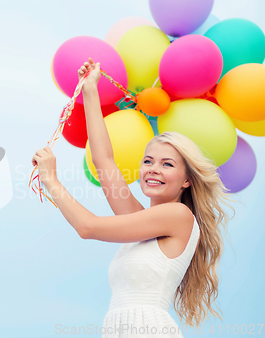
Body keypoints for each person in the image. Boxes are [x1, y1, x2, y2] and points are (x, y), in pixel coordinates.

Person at [31, 57, 236, 337]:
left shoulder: (178, 216)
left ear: (187, 180)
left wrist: (51, 180)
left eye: (167, 164)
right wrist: (91, 91)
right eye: (148, 161)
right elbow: (103, 161)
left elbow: (87, 227)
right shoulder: (141, 222)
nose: (153, 169)